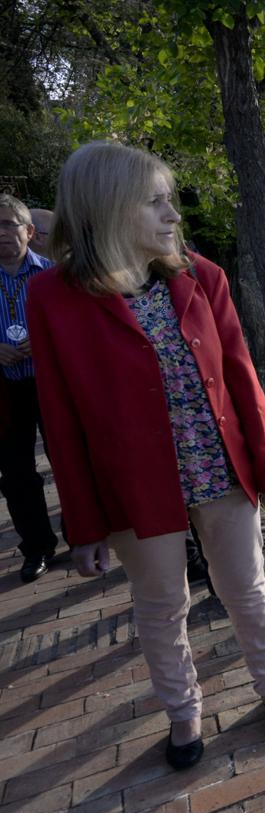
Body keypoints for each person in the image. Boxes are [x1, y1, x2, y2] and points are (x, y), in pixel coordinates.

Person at [29, 141, 265, 771]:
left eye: (168, 200)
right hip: (134, 486)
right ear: (109, 211)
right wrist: (84, 525)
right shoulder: (54, 298)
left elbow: (241, 380)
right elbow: (61, 418)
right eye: (155, 202)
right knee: (161, 604)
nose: (173, 215)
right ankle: (183, 714)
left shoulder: (202, 278)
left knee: (246, 588)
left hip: (218, 468)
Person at [0, 195, 61, 581]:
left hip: (50, 383)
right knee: (16, 473)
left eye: (9, 224)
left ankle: (84, 533)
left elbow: (76, 329)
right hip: (5, 391)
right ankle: (37, 547)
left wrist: (43, 341)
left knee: (67, 461)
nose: (1, 233)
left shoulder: (52, 275)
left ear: (29, 231)